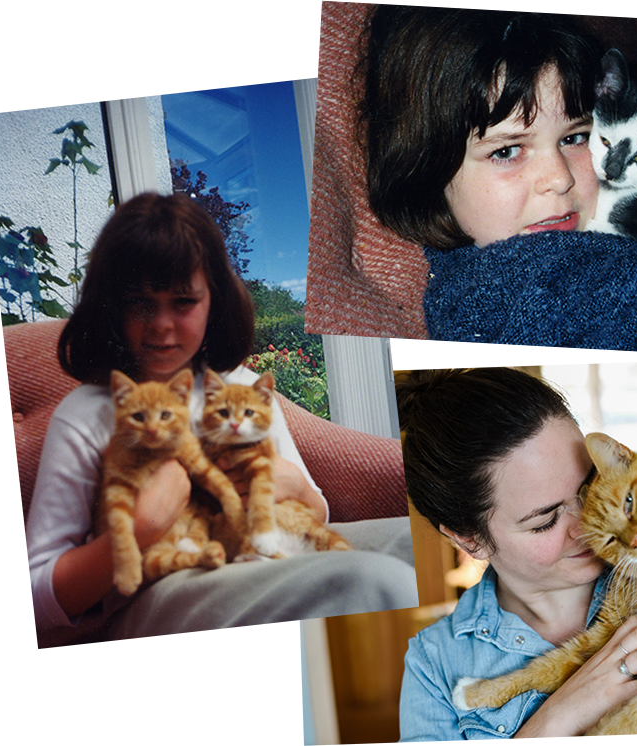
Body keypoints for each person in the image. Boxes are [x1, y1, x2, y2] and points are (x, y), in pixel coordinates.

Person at [25, 193, 417, 658]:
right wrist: (142, 527)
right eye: (140, 303)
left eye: (183, 302)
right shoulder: (88, 412)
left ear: (214, 300)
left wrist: (296, 486)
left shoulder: (238, 386)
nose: (162, 326)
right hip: (161, 587)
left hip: (263, 547)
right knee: (375, 585)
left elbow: (314, 513)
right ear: (109, 305)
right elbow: (35, 594)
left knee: (423, 542)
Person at [360, 6, 637, 358]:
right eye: (505, 150)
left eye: (575, 136)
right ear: (425, 171)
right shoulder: (490, 308)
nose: (558, 178)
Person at [396, 367, 637, 741]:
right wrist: (554, 720)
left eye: (591, 489)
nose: (590, 525)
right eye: (546, 520)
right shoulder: (435, 664)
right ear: (468, 538)